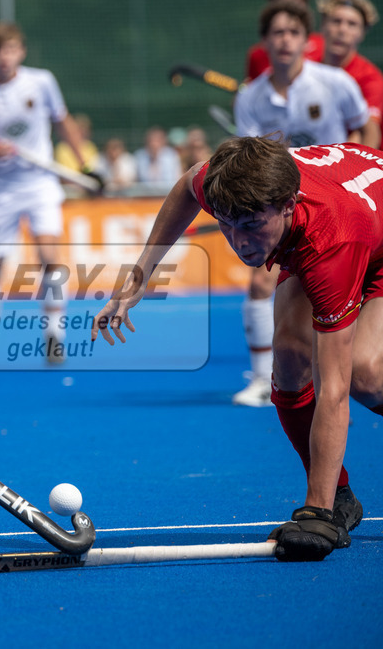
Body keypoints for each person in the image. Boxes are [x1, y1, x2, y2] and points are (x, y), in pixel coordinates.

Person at [93, 136, 381, 562]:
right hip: (338, 210)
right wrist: (141, 276)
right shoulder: (229, 185)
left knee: (362, 376)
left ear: (286, 204)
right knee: (287, 352)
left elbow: (333, 391)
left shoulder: (330, 243)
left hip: (362, 235)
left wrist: (313, 515)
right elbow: (186, 186)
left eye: (250, 226)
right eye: (226, 225)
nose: (238, 241)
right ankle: (339, 499)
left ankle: (324, 504)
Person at [230, 0, 369, 407]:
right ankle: (261, 380)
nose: (285, 40)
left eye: (293, 32)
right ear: (265, 42)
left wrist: (364, 174)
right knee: (260, 283)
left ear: (306, 40)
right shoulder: (250, 98)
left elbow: (366, 126)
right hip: (286, 212)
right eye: (278, 33)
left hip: (340, 211)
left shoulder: (334, 82)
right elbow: (250, 161)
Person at [0, 21, 90, 367]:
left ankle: (54, 337)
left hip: (41, 182)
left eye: (11, 49)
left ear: (22, 51)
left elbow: (63, 121)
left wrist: (83, 164)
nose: (4, 57)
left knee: (49, 256)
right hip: (1, 189)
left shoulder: (41, 82)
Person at [311, 0, 382, 149]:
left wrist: (334, 162)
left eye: (352, 24)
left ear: (362, 32)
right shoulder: (307, 66)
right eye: (336, 21)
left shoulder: (371, 78)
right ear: (323, 25)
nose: (342, 30)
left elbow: (367, 131)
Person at [245, 0, 324, 81]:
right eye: (282, 3)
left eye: (294, 4)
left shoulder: (323, 47)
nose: (288, 9)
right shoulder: (256, 55)